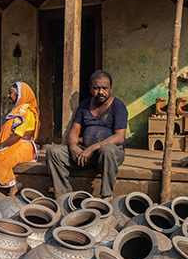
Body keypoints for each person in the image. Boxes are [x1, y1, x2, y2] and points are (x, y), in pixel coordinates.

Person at [46, 69, 127, 199]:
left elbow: (119, 137)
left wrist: (92, 148)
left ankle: (106, 195)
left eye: (104, 88)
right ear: (90, 88)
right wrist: (73, 147)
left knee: (107, 148)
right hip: (85, 154)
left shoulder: (118, 106)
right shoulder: (84, 105)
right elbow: (74, 130)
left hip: (108, 156)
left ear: (111, 88)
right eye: (96, 88)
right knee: (53, 152)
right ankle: (64, 196)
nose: (101, 92)